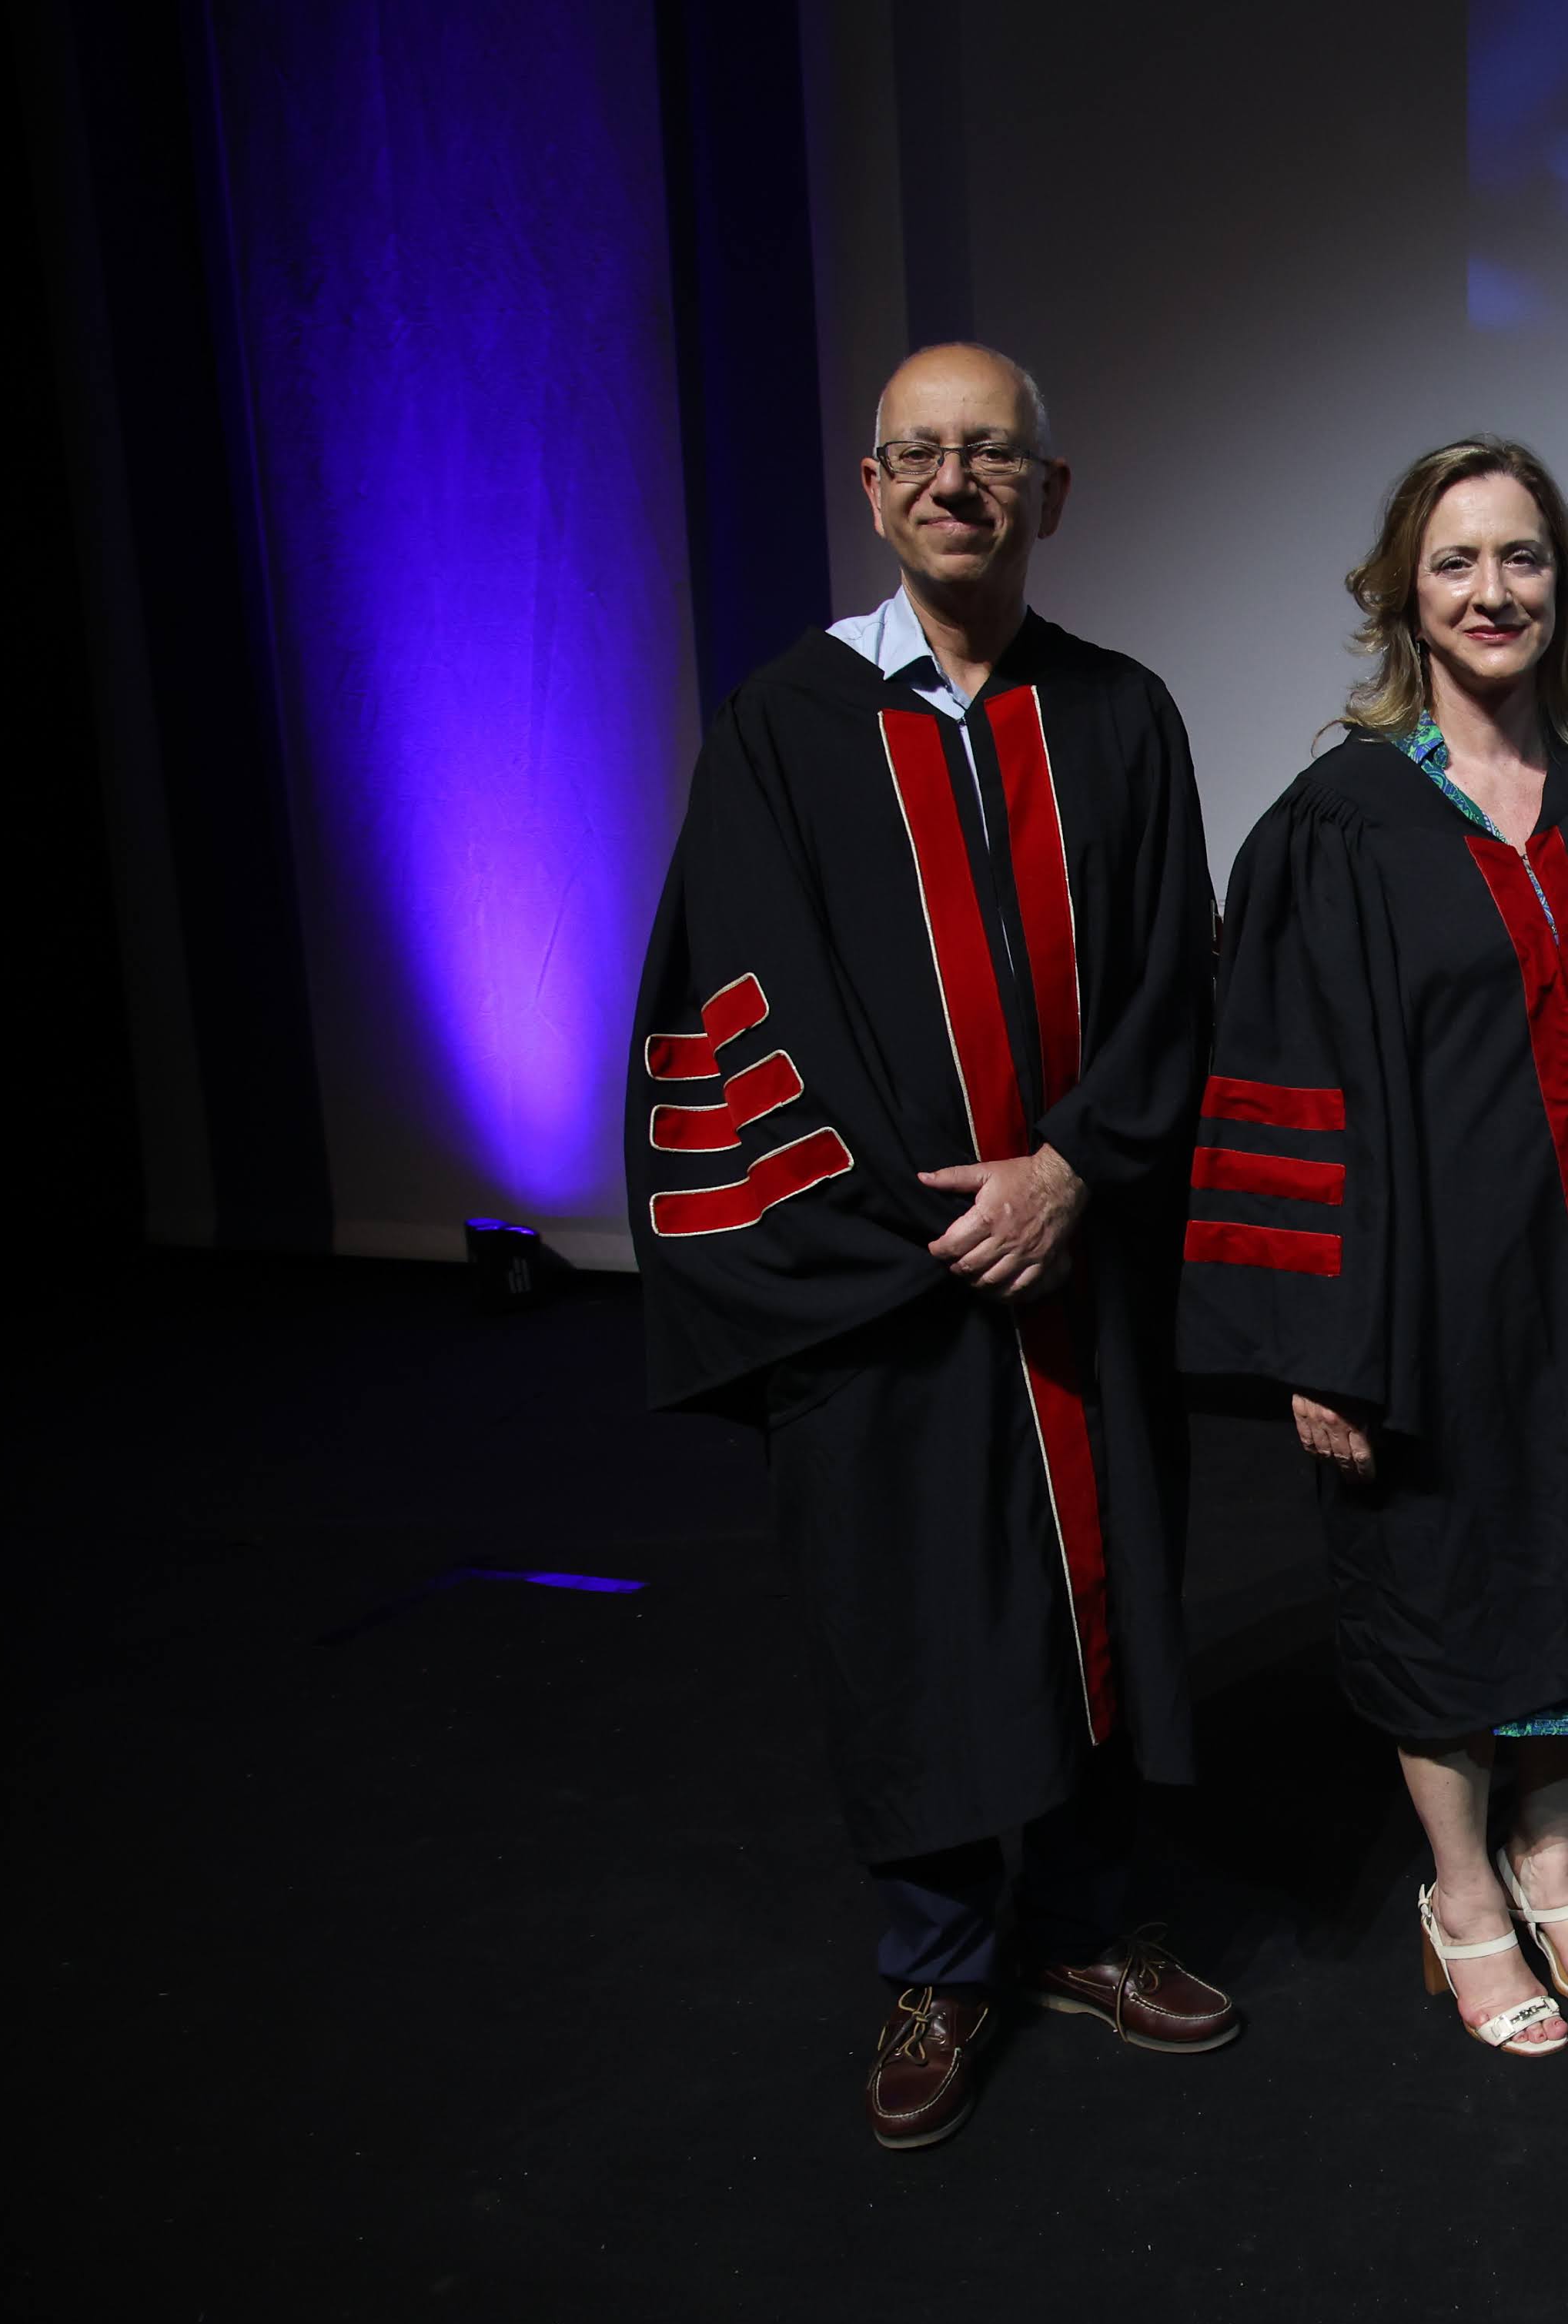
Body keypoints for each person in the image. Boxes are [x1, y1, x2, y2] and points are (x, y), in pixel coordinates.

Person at [627, 343, 1234, 2152]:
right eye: (922, 455)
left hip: (1076, 1250)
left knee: (1100, 1581)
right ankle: (937, 1954)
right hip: (879, 1265)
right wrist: (922, 1219)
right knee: (903, 1602)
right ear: (874, 489)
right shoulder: (784, 724)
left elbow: (1170, 988)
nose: (957, 482)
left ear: (1050, 494)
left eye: (994, 455)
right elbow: (743, 1000)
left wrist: (1065, 1174)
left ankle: (1082, 1926)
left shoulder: (1122, 714)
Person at [1179, 438, 1568, 2058]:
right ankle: (1462, 1894)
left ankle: (1555, 1860)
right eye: (1454, 563)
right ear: (1400, 597)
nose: (1490, 591)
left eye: (1519, 559)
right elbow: (1279, 1080)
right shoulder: (1336, 824)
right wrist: (1317, 1343)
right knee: (1440, 1578)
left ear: (1562, 587)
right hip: (1423, 1296)